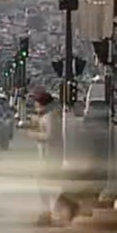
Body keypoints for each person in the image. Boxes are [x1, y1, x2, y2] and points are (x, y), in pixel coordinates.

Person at [26, 90, 78, 226]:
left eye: (36, 102)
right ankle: (55, 210)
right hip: (47, 156)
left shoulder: (50, 117)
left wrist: (34, 135)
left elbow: (51, 136)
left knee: (45, 187)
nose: (35, 105)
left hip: (50, 157)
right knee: (45, 186)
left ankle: (52, 211)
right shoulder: (48, 115)